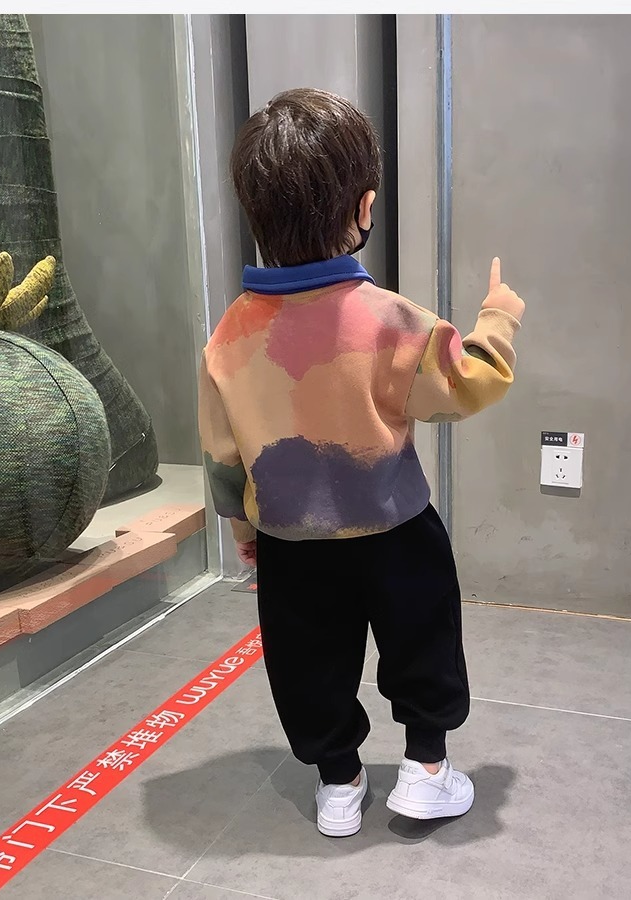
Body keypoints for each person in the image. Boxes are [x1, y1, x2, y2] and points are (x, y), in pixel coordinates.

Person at [198, 88, 524, 838]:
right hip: (396, 528)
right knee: (422, 640)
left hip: (290, 542)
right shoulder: (393, 322)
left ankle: (339, 784)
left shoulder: (229, 339)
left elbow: (222, 455)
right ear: (364, 206)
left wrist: (243, 529)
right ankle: (427, 771)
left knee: (306, 662)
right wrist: (498, 318)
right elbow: (468, 383)